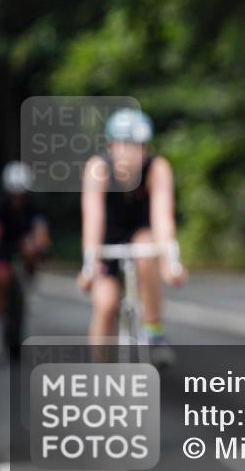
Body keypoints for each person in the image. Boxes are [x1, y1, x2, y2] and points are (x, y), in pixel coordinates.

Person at [77, 108, 187, 362]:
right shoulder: (98, 169)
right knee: (105, 305)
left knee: (146, 246)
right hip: (107, 241)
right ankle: (99, 375)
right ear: (112, 146)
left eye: (137, 146)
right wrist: (89, 265)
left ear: (146, 148)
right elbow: (93, 221)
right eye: (123, 145)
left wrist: (171, 261)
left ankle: (154, 330)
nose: (130, 153)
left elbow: (162, 218)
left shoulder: (157, 168)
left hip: (142, 235)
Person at [0, 161, 50, 355]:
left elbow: (41, 229)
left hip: (24, 246)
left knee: (31, 247)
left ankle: (30, 284)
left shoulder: (32, 205)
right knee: (2, 279)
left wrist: (40, 244)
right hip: (3, 248)